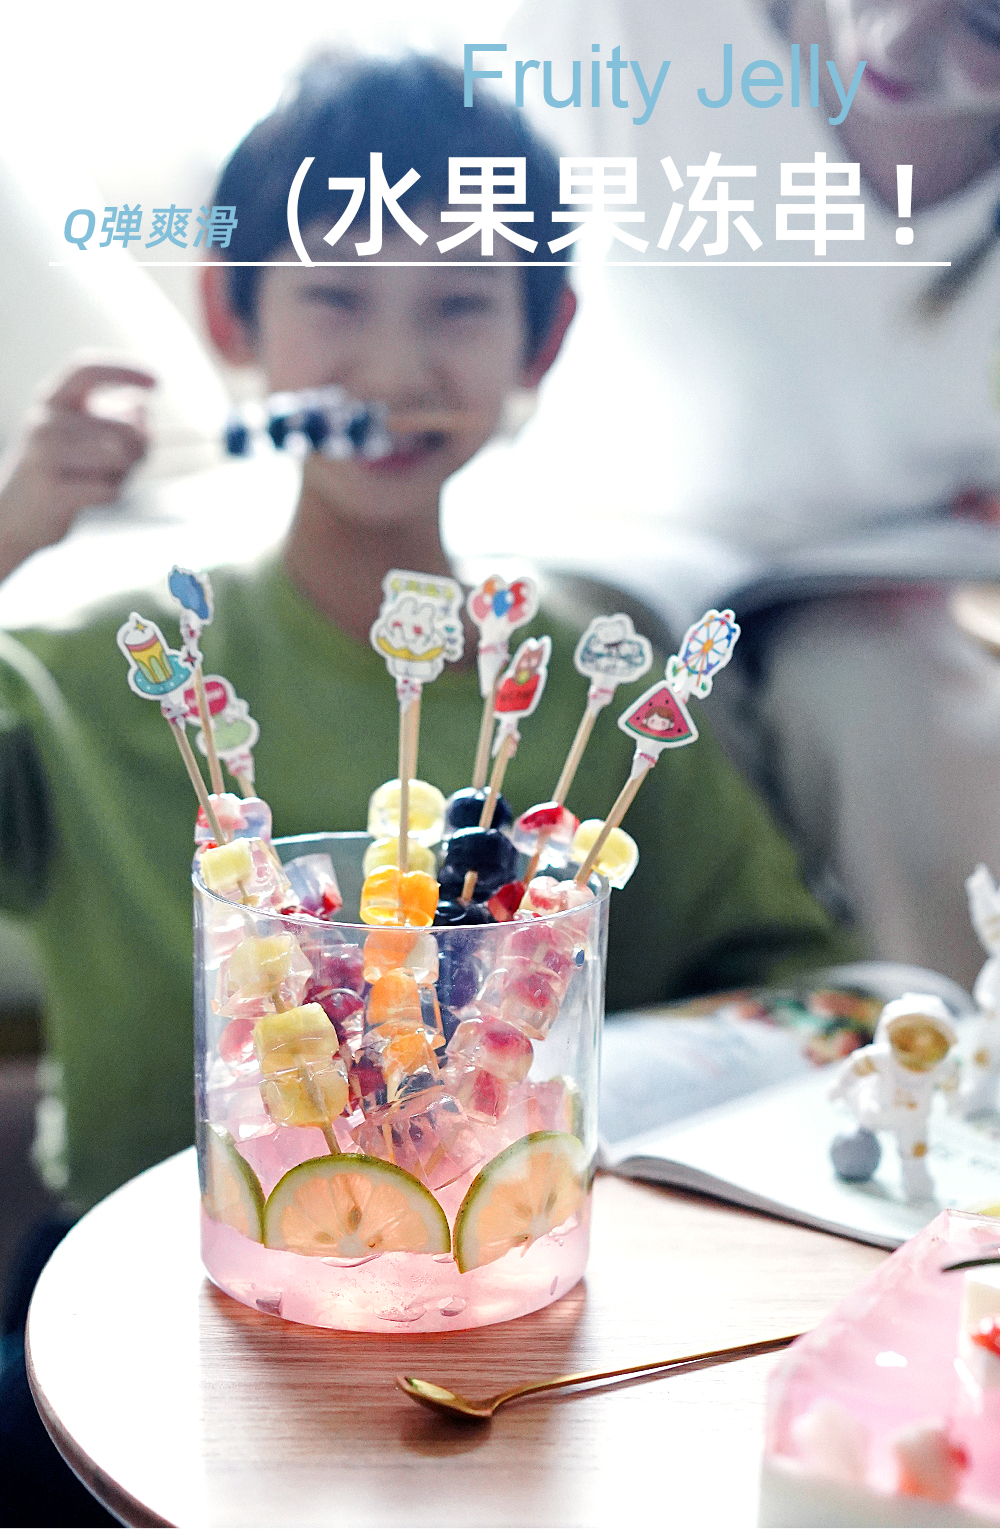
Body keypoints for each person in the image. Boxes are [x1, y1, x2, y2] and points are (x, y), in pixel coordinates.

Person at [0, 54, 857, 1523]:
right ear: (232, 314)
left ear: (544, 336)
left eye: (458, 304)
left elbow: (809, 991)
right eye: (336, 297)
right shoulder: (92, 675)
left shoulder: (601, 684)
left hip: (505, 1318)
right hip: (129, 1315)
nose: (394, 371)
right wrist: (9, 530)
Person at [500, 0, 1000, 988]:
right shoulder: (629, 30)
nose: (896, 41)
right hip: (599, 536)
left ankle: (941, 1054)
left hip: (878, 571)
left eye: (986, 27)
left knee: (899, 714)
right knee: (611, 688)